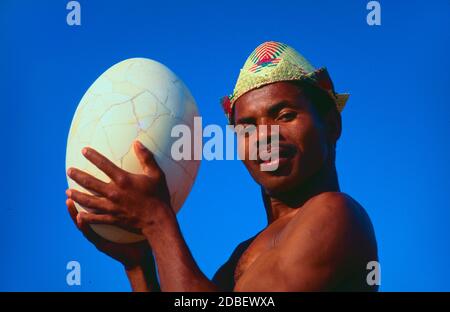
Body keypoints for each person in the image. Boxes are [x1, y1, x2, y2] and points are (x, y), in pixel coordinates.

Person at [65, 41, 378, 291]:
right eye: (247, 128)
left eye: (284, 116)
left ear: (332, 124)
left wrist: (157, 222)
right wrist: (139, 264)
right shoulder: (239, 259)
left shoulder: (337, 215)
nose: (264, 137)